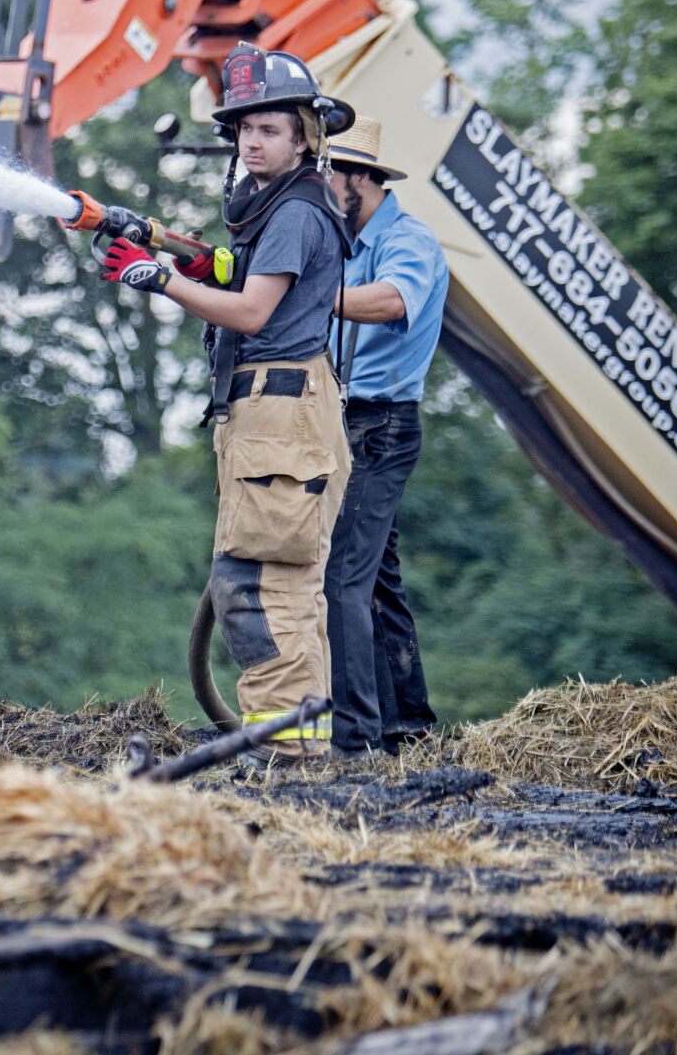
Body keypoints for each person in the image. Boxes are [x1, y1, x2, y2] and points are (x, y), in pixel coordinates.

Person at [97, 44, 354, 757]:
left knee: (260, 584)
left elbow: (249, 314)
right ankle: (298, 741)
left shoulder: (298, 211)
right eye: (243, 129)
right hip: (276, 412)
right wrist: (184, 255)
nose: (252, 140)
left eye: (269, 128)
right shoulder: (278, 209)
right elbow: (240, 275)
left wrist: (158, 279)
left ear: (305, 134)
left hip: (281, 409)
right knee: (277, 582)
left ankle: (288, 753)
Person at [320, 116, 448, 755]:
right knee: (375, 580)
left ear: (360, 179)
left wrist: (316, 291)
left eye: (328, 177)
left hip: (381, 427)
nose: (321, 190)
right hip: (354, 422)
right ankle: (409, 728)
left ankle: (355, 741)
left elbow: (394, 300)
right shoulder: (352, 240)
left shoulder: (408, 242)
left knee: (340, 574)